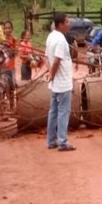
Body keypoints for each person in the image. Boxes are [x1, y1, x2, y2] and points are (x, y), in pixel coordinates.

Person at [45, 12, 75, 151]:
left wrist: (50, 73)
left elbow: (47, 57)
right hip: (62, 82)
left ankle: (51, 140)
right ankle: (62, 142)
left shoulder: (51, 36)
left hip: (55, 83)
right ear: (61, 24)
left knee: (53, 112)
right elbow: (57, 60)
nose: (69, 24)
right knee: (63, 112)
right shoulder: (61, 40)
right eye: (67, 22)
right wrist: (52, 74)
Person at [2, 21, 17, 110]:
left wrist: (13, 52)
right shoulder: (1, 39)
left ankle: (11, 106)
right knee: (3, 86)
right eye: (6, 28)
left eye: (9, 28)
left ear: (12, 29)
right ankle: (3, 106)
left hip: (11, 66)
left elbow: (15, 53)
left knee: (12, 86)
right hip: (3, 67)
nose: (8, 30)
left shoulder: (14, 40)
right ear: (3, 29)